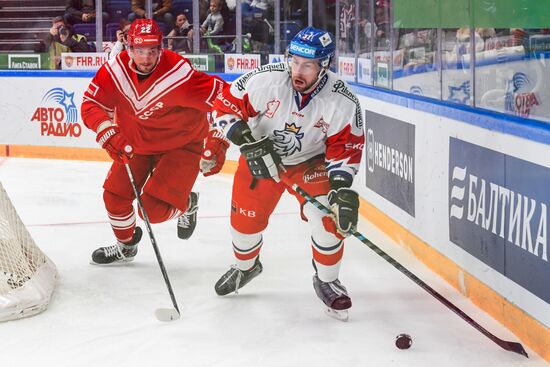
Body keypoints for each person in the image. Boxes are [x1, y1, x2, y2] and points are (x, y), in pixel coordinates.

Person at [210, 27, 364, 320]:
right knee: (244, 226)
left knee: (327, 218)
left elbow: (345, 150)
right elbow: (223, 108)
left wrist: (341, 189)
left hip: (310, 163)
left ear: (324, 66)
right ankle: (246, 267)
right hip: (259, 156)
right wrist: (247, 142)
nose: (297, 70)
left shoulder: (343, 101)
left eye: (307, 65)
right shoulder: (264, 80)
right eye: (294, 61)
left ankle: (328, 280)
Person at [81, 18, 228, 265]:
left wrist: (219, 138)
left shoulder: (180, 75)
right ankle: (126, 247)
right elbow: (91, 104)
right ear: (129, 48)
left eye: (152, 51)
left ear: (161, 48)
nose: (146, 58)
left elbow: (228, 98)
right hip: (136, 144)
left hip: (181, 145)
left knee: (152, 211)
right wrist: (108, 132)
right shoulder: (114, 71)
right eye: (139, 50)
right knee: (114, 197)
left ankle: (188, 203)